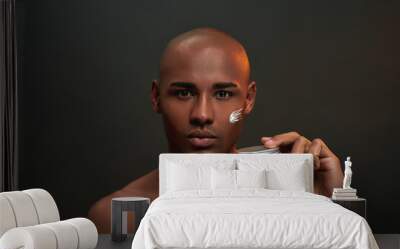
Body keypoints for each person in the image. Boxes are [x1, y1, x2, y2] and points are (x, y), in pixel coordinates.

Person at [88, 28, 344, 233]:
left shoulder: (287, 194)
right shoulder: (117, 215)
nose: (202, 115)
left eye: (222, 94)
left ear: (248, 99)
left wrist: (329, 202)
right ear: (156, 97)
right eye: (184, 93)